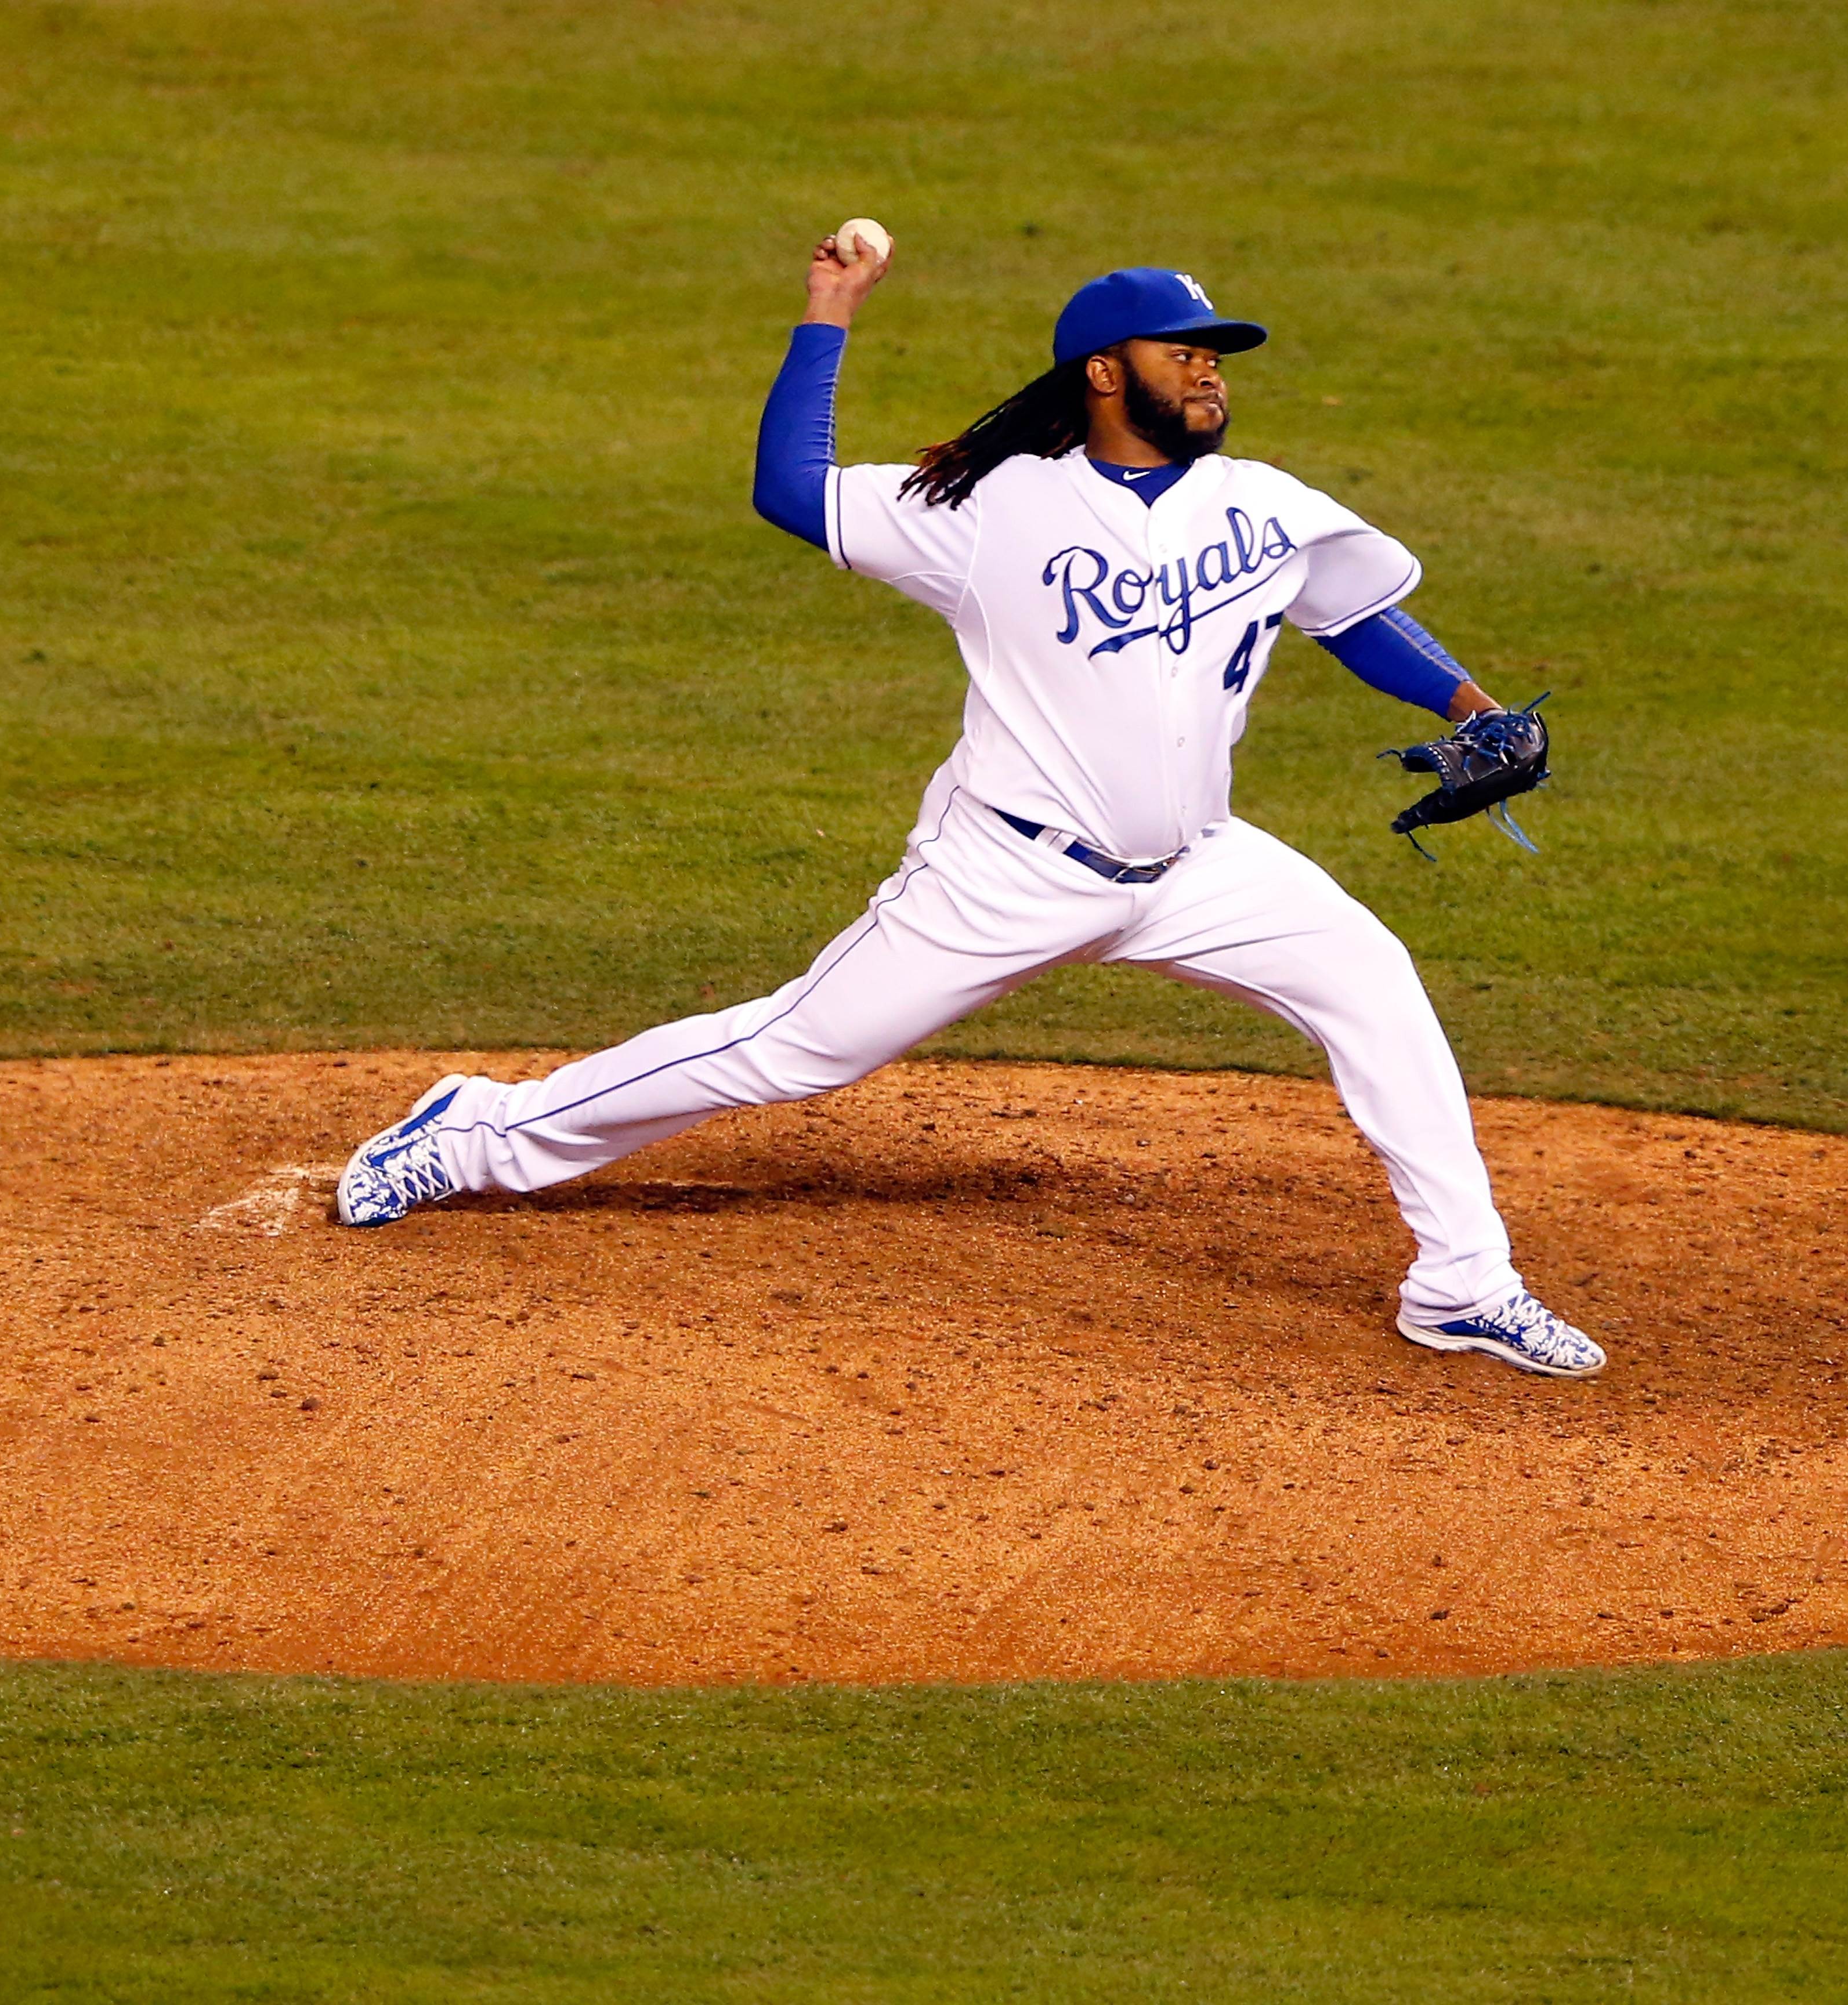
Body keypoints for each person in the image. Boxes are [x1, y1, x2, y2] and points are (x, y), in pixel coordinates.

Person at [329, 234, 1605, 1379]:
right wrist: (829, 309)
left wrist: (1473, 708)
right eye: (1189, 352)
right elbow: (795, 490)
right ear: (1107, 373)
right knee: (794, 1052)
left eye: (1221, 355)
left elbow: (1361, 614)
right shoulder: (991, 509)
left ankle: (1463, 1286)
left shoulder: (1266, 505)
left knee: (1372, 980)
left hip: (1199, 868)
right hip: (1005, 873)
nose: (1214, 372)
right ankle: (482, 1132)